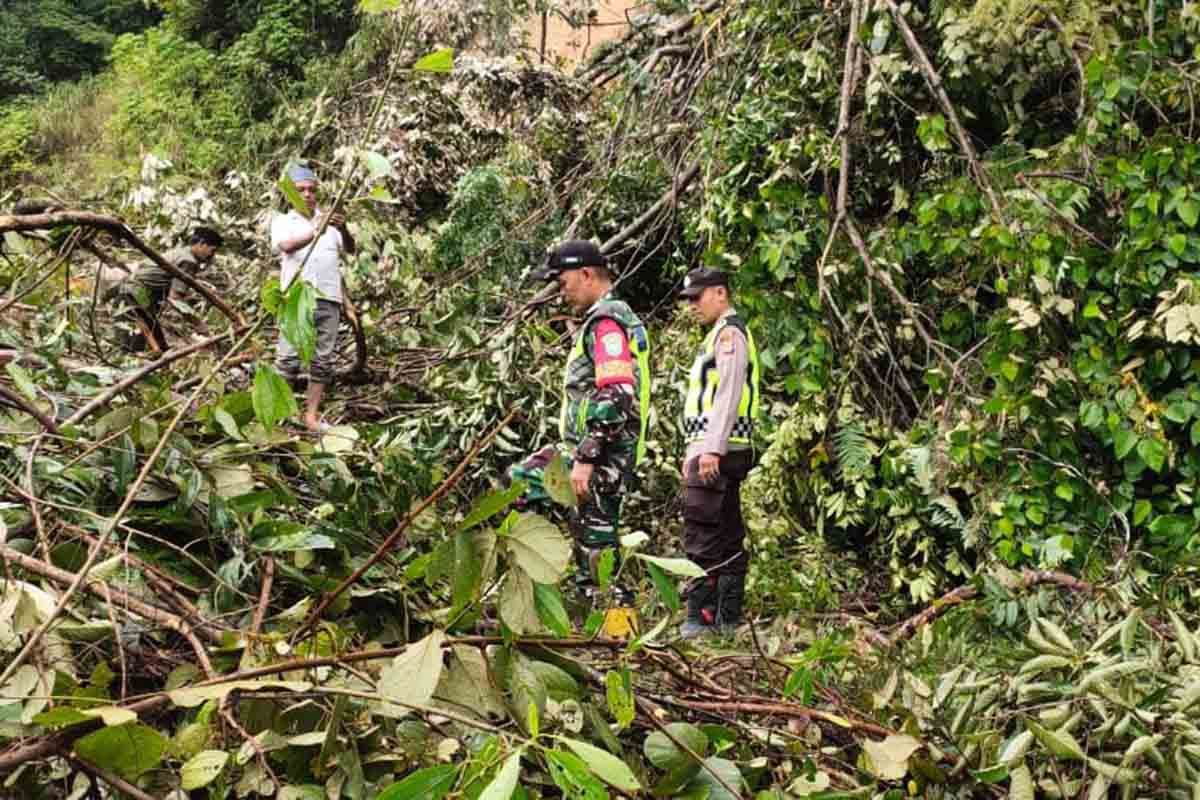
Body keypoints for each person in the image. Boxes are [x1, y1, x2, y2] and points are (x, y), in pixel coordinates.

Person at [511, 239, 651, 602]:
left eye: (563, 282)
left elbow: (618, 392)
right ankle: (541, 593)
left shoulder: (607, 324)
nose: (561, 293)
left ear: (586, 274)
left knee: (598, 552)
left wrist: (587, 459)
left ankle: (615, 631)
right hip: (591, 451)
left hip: (603, 457)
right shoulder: (600, 322)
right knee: (523, 484)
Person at [677, 267, 760, 638]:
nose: (692, 305)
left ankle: (700, 619)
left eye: (698, 296)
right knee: (725, 532)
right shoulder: (719, 334)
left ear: (721, 294)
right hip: (719, 446)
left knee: (701, 531)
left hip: (720, 448)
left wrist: (709, 449)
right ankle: (727, 620)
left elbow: (726, 395)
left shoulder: (729, 334)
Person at [270, 163, 356, 433]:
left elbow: (350, 251)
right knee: (288, 358)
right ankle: (279, 415)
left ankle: (311, 416)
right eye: (301, 190)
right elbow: (286, 246)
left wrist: (344, 229)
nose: (307, 194)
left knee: (323, 359)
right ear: (290, 195)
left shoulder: (329, 221)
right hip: (295, 298)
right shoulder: (283, 221)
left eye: (311, 189)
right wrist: (316, 227)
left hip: (328, 297)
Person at [109, 226, 223, 352]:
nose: (212, 255)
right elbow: (176, 299)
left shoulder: (180, 252)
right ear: (201, 244)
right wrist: (199, 325)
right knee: (133, 349)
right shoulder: (188, 261)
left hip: (132, 295)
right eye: (212, 250)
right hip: (134, 298)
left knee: (158, 346)